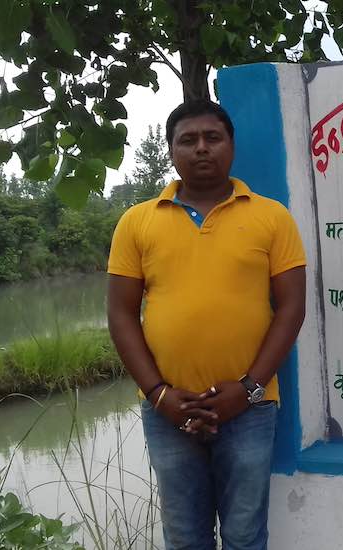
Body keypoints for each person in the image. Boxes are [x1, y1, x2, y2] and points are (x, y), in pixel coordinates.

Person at [107, 99, 307, 550]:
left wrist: (250, 388)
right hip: (168, 411)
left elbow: (292, 307)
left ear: (231, 146)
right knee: (185, 538)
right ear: (171, 150)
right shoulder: (136, 222)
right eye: (188, 140)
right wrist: (159, 394)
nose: (201, 148)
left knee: (244, 536)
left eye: (212, 138)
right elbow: (121, 314)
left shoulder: (271, 217)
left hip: (250, 408)